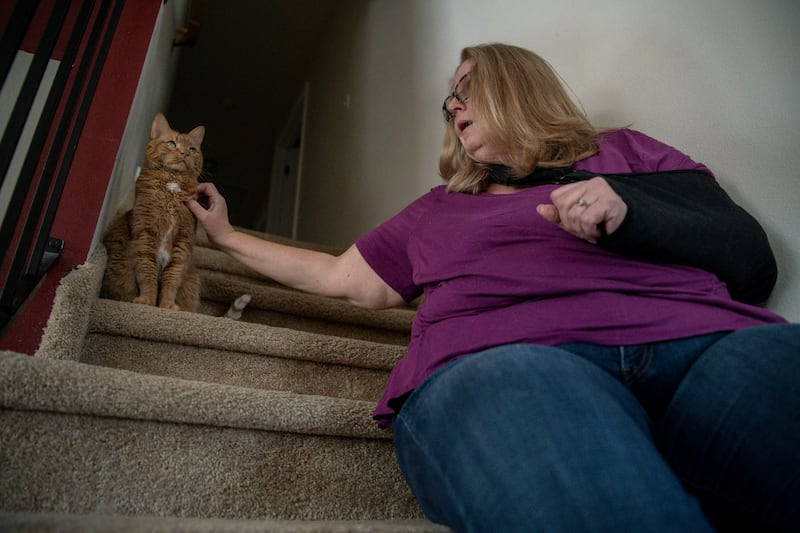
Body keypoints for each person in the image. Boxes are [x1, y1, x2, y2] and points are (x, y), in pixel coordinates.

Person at [187, 43, 799, 533]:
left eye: (465, 87)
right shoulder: (440, 207)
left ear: (515, 83)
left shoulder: (627, 152)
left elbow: (748, 257)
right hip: (510, 358)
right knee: (530, 390)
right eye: (447, 101)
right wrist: (227, 237)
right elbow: (340, 276)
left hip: (706, 341)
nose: (451, 106)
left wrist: (633, 209)